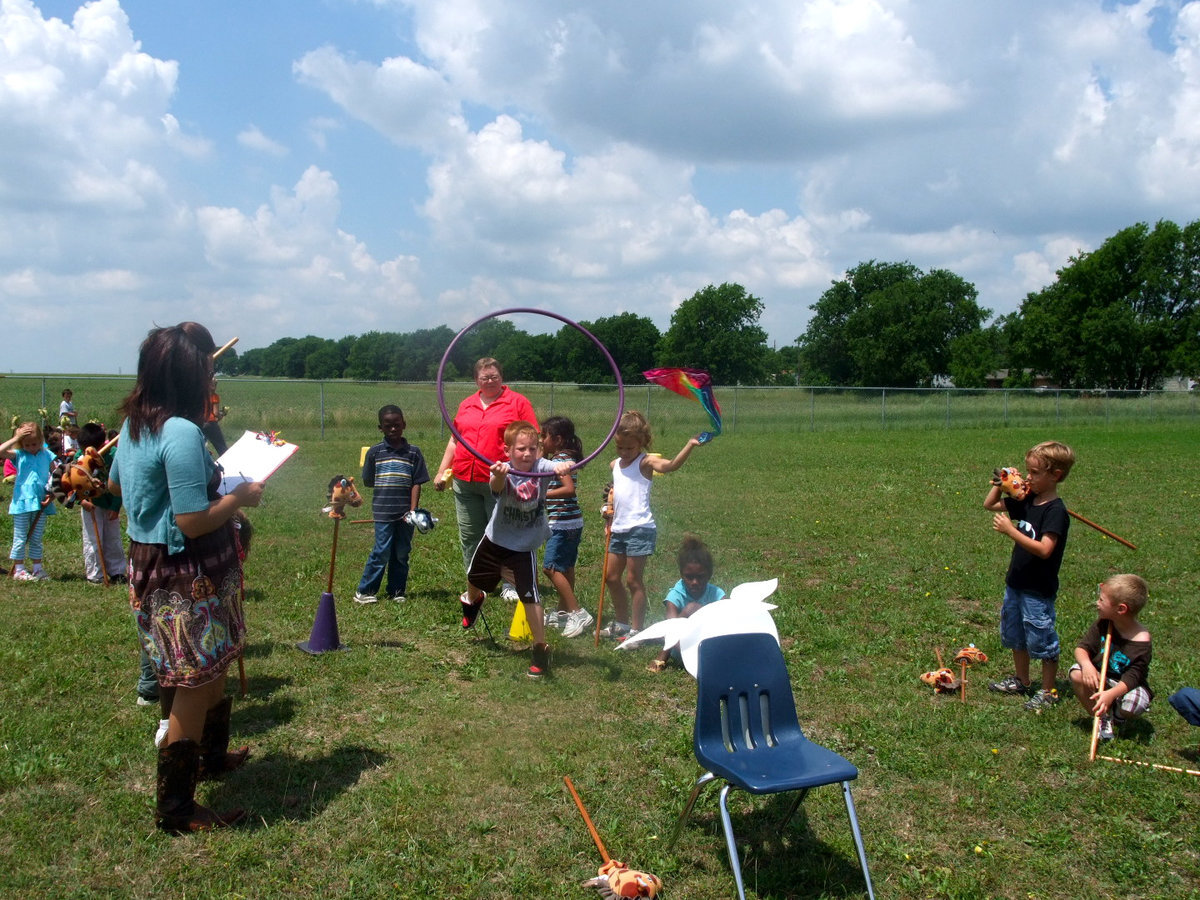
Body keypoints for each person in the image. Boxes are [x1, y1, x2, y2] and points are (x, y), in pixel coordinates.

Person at [108, 322, 263, 834]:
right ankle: (175, 808)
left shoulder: (135, 425)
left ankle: (211, 758)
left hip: (153, 562)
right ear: (187, 375)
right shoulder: (179, 430)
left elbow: (115, 484)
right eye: (207, 369)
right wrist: (239, 497)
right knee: (196, 680)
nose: (212, 375)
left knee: (207, 667)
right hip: (185, 570)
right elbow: (192, 520)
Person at [459, 421, 571, 678]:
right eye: (521, 449)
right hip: (496, 538)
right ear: (508, 450)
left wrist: (562, 467)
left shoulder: (542, 467)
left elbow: (556, 467)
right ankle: (474, 600)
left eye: (533, 448)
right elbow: (497, 488)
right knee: (474, 577)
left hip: (523, 546)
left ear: (539, 450)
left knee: (530, 594)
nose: (527, 454)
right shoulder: (503, 469)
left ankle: (540, 648)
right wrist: (499, 475)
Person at [433, 358, 538, 603]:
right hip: (464, 478)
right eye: (484, 378)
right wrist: (441, 471)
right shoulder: (467, 404)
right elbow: (454, 440)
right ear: (476, 380)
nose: (489, 381)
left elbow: (533, 440)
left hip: (500, 480)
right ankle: (478, 582)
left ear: (502, 377)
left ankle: (510, 583)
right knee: (470, 535)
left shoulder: (517, 403)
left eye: (494, 376)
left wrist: (529, 474)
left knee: (503, 533)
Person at [984, 440, 1075, 711]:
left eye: (1034, 473)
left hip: (1037, 588)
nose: (1028, 478)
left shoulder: (1055, 511)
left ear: (1055, 476)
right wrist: (1001, 482)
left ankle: (1048, 691)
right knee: (1016, 635)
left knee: (1041, 637)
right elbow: (990, 505)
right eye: (1027, 471)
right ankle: (1022, 680)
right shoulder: (1028, 501)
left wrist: (1011, 531)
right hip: (1016, 583)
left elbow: (1045, 550)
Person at [599, 411, 704, 640]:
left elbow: (671, 466)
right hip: (618, 529)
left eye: (629, 448)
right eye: (620, 447)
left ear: (641, 443)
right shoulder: (614, 464)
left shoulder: (646, 462)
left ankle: (636, 629)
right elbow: (614, 494)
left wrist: (690, 444)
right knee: (611, 577)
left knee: (633, 580)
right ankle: (621, 623)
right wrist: (606, 509)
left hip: (640, 528)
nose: (625, 453)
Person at [354, 405, 430, 604]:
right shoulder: (375, 452)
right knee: (382, 551)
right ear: (381, 428)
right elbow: (369, 481)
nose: (393, 429)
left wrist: (413, 510)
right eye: (388, 426)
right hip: (383, 511)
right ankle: (365, 591)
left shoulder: (413, 453)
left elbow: (417, 482)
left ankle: (397, 590)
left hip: (406, 514)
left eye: (397, 425)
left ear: (404, 424)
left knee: (402, 552)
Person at [1069, 574, 1153, 741]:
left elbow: (1134, 676)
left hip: (1127, 686)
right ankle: (1102, 719)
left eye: (1101, 600)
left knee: (1133, 705)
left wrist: (1112, 694)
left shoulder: (1141, 641)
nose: (1097, 604)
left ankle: (1118, 716)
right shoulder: (1104, 623)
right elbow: (1081, 649)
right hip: (1103, 678)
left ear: (1120, 609)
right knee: (1076, 673)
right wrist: (1087, 665)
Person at [539, 416, 594, 638]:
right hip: (573, 521)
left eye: (544, 436)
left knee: (550, 568)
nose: (541, 440)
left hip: (562, 521)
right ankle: (562, 612)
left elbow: (569, 489)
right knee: (566, 568)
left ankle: (577, 612)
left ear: (558, 439)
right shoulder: (563, 457)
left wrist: (542, 495)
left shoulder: (559, 461)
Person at [648, 534, 725, 673]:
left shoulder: (717, 594)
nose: (694, 582)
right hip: (683, 648)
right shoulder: (675, 595)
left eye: (700, 577)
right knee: (691, 608)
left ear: (709, 575)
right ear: (681, 574)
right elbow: (672, 627)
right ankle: (663, 655)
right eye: (689, 577)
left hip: (709, 646)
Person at [2, 421, 57, 581]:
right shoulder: (19, 454)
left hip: (41, 501)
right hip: (22, 502)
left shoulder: (47, 454)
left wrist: (51, 495)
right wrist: (16, 438)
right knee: (20, 536)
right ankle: (19, 569)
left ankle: (37, 568)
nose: (31, 448)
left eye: (35, 444)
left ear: (41, 441)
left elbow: (56, 476)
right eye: (27, 445)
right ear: (21, 444)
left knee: (36, 537)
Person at [76, 422, 126, 586]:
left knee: (113, 539)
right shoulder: (80, 457)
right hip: (92, 505)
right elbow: (73, 483)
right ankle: (95, 573)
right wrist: (82, 500)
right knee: (93, 539)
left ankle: (117, 571)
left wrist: (115, 506)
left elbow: (120, 482)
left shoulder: (113, 455)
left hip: (110, 501)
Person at [202, 381, 229, 456]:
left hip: (200, 422)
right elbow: (216, 413)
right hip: (210, 423)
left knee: (201, 445)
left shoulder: (200, 395)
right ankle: (227, 463)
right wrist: (222, 414)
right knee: (221, 447)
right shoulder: (214, 396)